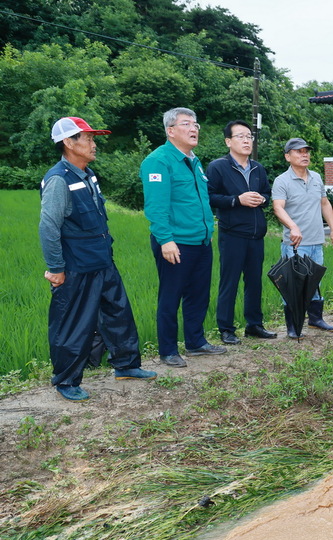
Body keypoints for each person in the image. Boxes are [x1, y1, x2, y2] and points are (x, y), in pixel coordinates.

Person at [39, 117, 156, 401]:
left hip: (103, 260)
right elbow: (48, 226)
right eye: (88, 139)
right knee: (74, 323)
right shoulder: (58, 179)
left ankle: (126, 365)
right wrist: (56, 269)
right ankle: (67, 381)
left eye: (93, 139)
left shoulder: (88, 174)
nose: (94, 145)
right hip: (77, 266)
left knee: (118, 312)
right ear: (69, 142)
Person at [141, 107, 226, 368]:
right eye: (187, 124)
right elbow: (156, 206)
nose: (194, 129)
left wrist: (207, 232)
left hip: (200, 241)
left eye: (196, 125)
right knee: (171, 295)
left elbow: (200, 202)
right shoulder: (159, 161)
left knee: (198, 294)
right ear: (170, 131)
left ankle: (196, 342)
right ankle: (167, 349)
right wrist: (165, 239)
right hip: (175, 243)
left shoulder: (194, 160)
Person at [206, 120, 276, 345]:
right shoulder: (218, 167)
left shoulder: (258, 168)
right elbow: (209, 197)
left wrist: (262, 198)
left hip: (256, 235)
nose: (247, 140)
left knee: (254, 282)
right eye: (241, 136)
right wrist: (237, 200)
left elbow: (267, 193)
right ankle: (226, 328)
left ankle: (254, 325)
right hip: (232, 234)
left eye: (249, 136)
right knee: (230, 282)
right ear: (228, 141)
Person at [271, 138, 333, 337]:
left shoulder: (316, 177)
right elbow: (278, 207)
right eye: (298, 151)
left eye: (306, 151)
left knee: (315, 283)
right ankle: (293, 327)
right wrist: (293, 227)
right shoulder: (281, 181)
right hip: (295, 245)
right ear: (288, 156)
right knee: (293, 286)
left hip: (316, 242)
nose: (304, 155)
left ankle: (315, 319)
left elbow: (324, 204)